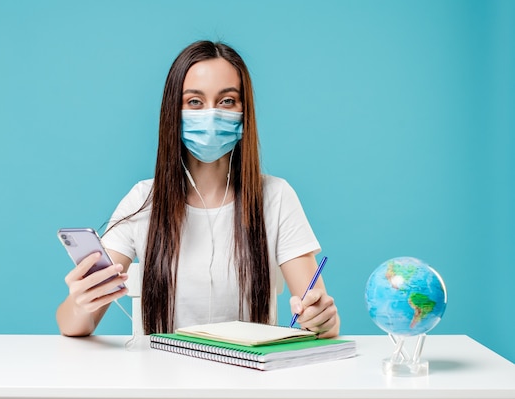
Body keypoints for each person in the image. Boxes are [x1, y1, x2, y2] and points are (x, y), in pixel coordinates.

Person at [56, 40, 340, 339]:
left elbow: (320, 320)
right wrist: (80, 303)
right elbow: (73, 326)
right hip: (163, 379)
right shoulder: (143, 200)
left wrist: (321, 319)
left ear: (245, 112)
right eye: (194, 102)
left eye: (227, 101)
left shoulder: (276, 197)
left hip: (248, 379)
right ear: (173, 112)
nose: (211, 114)